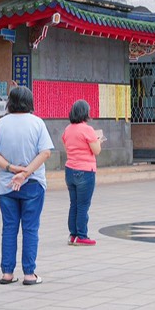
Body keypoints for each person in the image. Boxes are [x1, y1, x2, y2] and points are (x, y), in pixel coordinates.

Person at [0, 86, 53, 285]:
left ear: (10, 102)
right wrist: (26, 173)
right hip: (33, 184)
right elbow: (45, 152)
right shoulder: (37, 123)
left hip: (6, 185)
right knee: (31, 228)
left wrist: (11, 168)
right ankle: (29, 274)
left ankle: (7, 273)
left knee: (9, 228)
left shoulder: (0, 125)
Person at [62, 100, 103, 246]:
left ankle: (72, 235)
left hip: (70, 170)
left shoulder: (68, 129)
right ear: (85, 113)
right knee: (83, 205)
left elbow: (67, 146)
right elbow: (96, 150)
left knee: (74, 204)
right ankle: (81, 235)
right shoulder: (87, 129)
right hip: (85, 171)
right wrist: (98, 141)